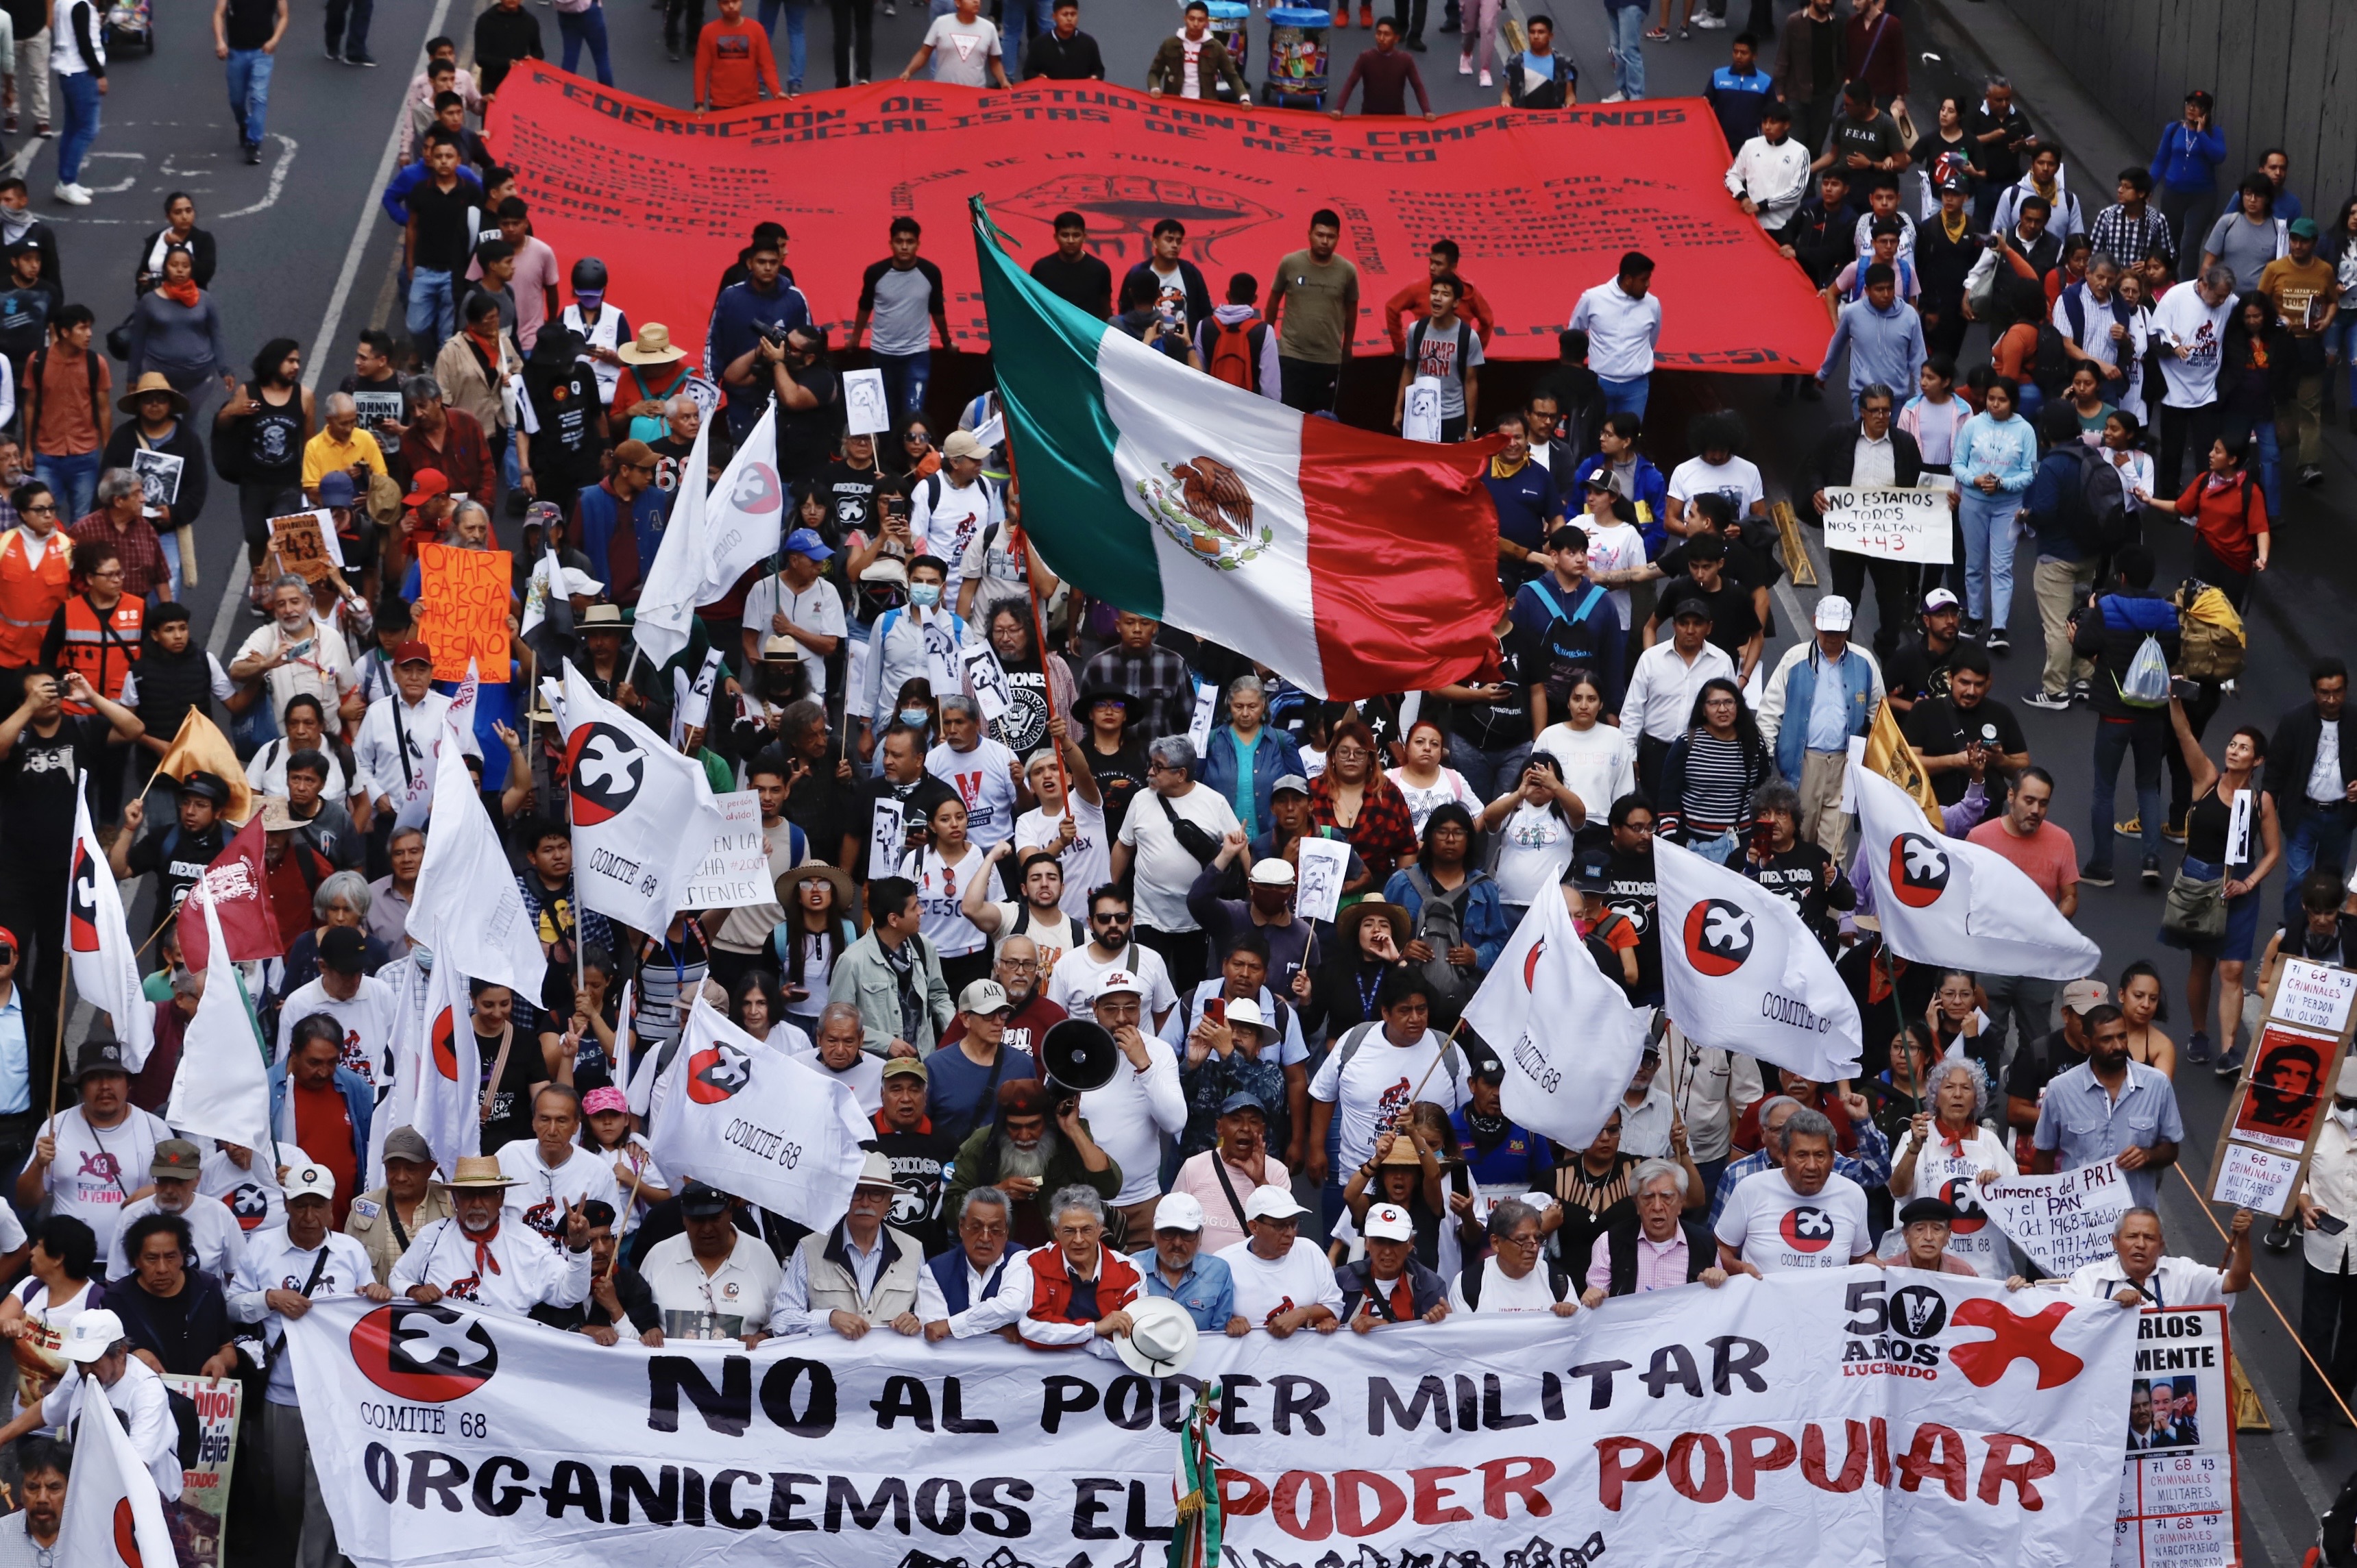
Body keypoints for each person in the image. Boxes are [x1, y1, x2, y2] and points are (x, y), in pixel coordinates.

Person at [228, 1162, 391, 1565]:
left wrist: (372, 1292)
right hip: (281, 1395)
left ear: (332, 1208)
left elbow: (365, 1314)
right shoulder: (261, 1248)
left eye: (317, 1206)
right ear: (286, 1204)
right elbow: (232, 1304)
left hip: (336, 1398)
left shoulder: (350, 1252)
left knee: (328, 1492)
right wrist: (268, 1298)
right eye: (300, 1206)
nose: (308, 1217)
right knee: (282, 1491)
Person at [16, 1037, 169, 1275]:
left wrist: (158, 1190)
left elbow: (186, 1184)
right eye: (94, 1078)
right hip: (68, 1267)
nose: (105, 1086)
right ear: (80, 1086)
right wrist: (38, 1165)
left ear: (128, 1084)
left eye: (114, 1076)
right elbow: (25, 1201)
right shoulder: (55, 1128)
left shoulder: (155, 1129)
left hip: (135, 1267)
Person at [1755, 596, 1883, 851]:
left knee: (1835, 850)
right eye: (1827, 629)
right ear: (1815, 623)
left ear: (1849, 627)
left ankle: (1832, 890)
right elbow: (1770, 713)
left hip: (1845, 767)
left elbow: (1879, 715)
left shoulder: (1866, 662)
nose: (1833, 636)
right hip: (1802, 765)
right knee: (1798, 839)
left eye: (1839, 630)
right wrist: (1764, 759)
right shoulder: (1794, 658)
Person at [390, 1155, 594, 1312]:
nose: (477, 1204)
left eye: (486, 1194)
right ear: (454, 1199)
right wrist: (413, 1290)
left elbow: (571, 1293)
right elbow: (398, 1277)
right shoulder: (432, 1236)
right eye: (468, 1194)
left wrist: (579, 1248)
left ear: (501, 1197)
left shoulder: (528, 1243)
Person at [2030, 1003, 2183, 1211]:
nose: (2119, 1046)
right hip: (2079, 1218)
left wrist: (2148, 1155)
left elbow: (2171, 1149)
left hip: (2135, 1220)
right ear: (2087, 1042)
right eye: (2107, 1039)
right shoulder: (2060, 1089)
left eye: (2122, 1036)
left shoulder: (2158, 1085)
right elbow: (2044, 1156)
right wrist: (2046, 1211)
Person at [1073, 970, 1187, 1241]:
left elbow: (1174, 1123)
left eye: (1130, 1008)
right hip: (1085, 1202)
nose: (1122, 1017)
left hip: (1144, 1201)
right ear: (1095, 1008)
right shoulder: (1075, 1049)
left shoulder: (1159, 1051)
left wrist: (1143, 1065)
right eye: (1111, 1008)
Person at [942, 1079, 1120, 1249]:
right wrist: (997, 1193)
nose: (1025, 1136)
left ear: (1047, 1121)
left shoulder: (1068, 1138)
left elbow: (1109, 1187)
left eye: (1034, 1125)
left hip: (1063, 1254)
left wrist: (1073, 1129)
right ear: (1002, 1124)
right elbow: (951, 1211)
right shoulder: (981, 1144)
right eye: (1014, 1127)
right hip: (1001, 1257)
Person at [1714, 1107, 1875, 1272]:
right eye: (1802, 1155)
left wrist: (1874, 1265)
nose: (1812, 1166)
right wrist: (1741, 1269)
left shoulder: (1853, 1195)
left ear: (1833, 1158)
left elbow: (1861, 1256)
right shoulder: (1750, 1189)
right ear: (1784, 1157)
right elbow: (1721, 1248)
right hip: (1764, 1296)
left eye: (1820, 1155)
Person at [2265, 660, 2357, 935]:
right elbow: (2276, 768)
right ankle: (2294, 933)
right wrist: (2268, 805)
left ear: (2346, 689)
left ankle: (2325, 934)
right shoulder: (2294, 721)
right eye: (2325, 693)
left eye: (2338, 692)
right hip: (2303, 814)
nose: (2332, 699)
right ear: (2314, 692)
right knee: (2298, 879)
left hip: (2341, 816)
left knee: (2330, 881)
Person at [1578, 1159, 1726, 1306]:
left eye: (1666, 1197)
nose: (1657, 1207)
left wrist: (1717, 1280)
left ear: (1681, 1202)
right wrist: (1593, 1297)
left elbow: (1719, 1304)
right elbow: (1595, 1299)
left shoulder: (1703, 1242)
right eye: (1648, 1198)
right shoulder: (1609, 1242)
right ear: (1636, 1203)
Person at [851, 219, 949, 421]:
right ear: (891, 243)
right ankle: (886, 453)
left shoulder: (931, 273)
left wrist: (947, 341)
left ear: (918, 244)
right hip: (882, 353)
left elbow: (937, 310)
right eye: (899, 241)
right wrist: (854, 339)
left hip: (916, 354)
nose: (904, 246)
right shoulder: (875, 273)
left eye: (910, 241)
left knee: (913, 413)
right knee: (881, 415)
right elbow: (864, 307)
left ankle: (912, 453)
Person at [1267, 212, 1360, 416]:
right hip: (1292, 356)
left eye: (1331, 236)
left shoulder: (1347, 271)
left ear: (1338, 238)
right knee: (1288, 417)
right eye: (1320, 235)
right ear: (1309, 234)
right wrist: (1267, 336)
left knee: (1322, 421)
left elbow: (1352, 309)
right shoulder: (1290, 263)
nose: (1325, 241)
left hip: (1328, 359)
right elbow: (1274, 299)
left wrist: (1348, 346)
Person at [1216, 1186, 1342, 1334]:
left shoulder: (1310, 1251)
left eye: (1294, 1224)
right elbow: (1208, 1317)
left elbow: (1335, 1307)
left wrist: (1303, 1314)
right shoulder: (1223, 1263)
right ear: (1254, 1227)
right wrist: (1227, 1322)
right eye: (1280, 1226)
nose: (1290, 1233)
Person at [343, 1125, 452, 1286]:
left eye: (411, 1169)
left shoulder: (451, 1205)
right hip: (380, 1308)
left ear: (430, 1168)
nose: (401, 1177)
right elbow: (346, 1269)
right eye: (393, 1168)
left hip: (436, 1308)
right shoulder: (363, 1209)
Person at [1567, 253, 1661, 418]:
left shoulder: (1653, 304)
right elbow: (1575, 333)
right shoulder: (1593, 298)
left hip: (1636, 386)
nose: (1648, 284)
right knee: (1597, 439)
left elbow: (1651, 341)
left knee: (1628, 440)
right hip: (1599, 383)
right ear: (1628, 280)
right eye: (1644, 279)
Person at [1447, 1198, 1577, 1313]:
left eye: (1537, 1238)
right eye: (1522, 1240)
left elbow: (1578, 1333)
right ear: (1496, 1243)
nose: (1534, 1247)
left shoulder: (1558, 1281)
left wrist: (1570, 1313)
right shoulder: (1467, 1284)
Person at [1332, 16, 1432, 116]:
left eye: (1387, 34)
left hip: (1397, 117)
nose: (1381, 38)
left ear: (1396, 39)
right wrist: (1339, 109)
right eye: (1379, 33)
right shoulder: (1365, 58)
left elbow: (1418, 87)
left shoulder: (1406, 60)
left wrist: (1427, 111)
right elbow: (1350, 83)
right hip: (1369, 116)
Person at [1147, 2, 1246, 101]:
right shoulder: (1170, 45)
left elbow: (1232, 77)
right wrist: (1155, 88)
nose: (1195, 24)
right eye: (1192, 19)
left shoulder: (1216, 47)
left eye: (1201, 20)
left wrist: (1244, 97)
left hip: (1205, 106)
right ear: (1185, 19)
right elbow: (1154, 73)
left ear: (1207, 22)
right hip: (1174, 103)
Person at [898, 0, 1007, 86]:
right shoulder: (941, 23)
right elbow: (924, 53)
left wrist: (1003, 81)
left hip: (975, 93)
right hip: (943, 90)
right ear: (958, 3)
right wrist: (908, 72)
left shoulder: (989, 28)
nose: (977, 1)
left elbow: (995, 63)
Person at [0, 1437, 66, 1563]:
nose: (42, 1498)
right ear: (21, 1492)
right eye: (33, 1487)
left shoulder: (94, 1540)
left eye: (53, 1488)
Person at [1021, 1, 1100, 79]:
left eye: (1073, 14)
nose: (1069, 19)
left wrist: (1095, 77)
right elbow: (1028, 73)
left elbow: (1098, 70)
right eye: (1065, 15)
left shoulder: (1089, 43)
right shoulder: (1039, 44)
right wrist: (1038, 77)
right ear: (1054, 16)